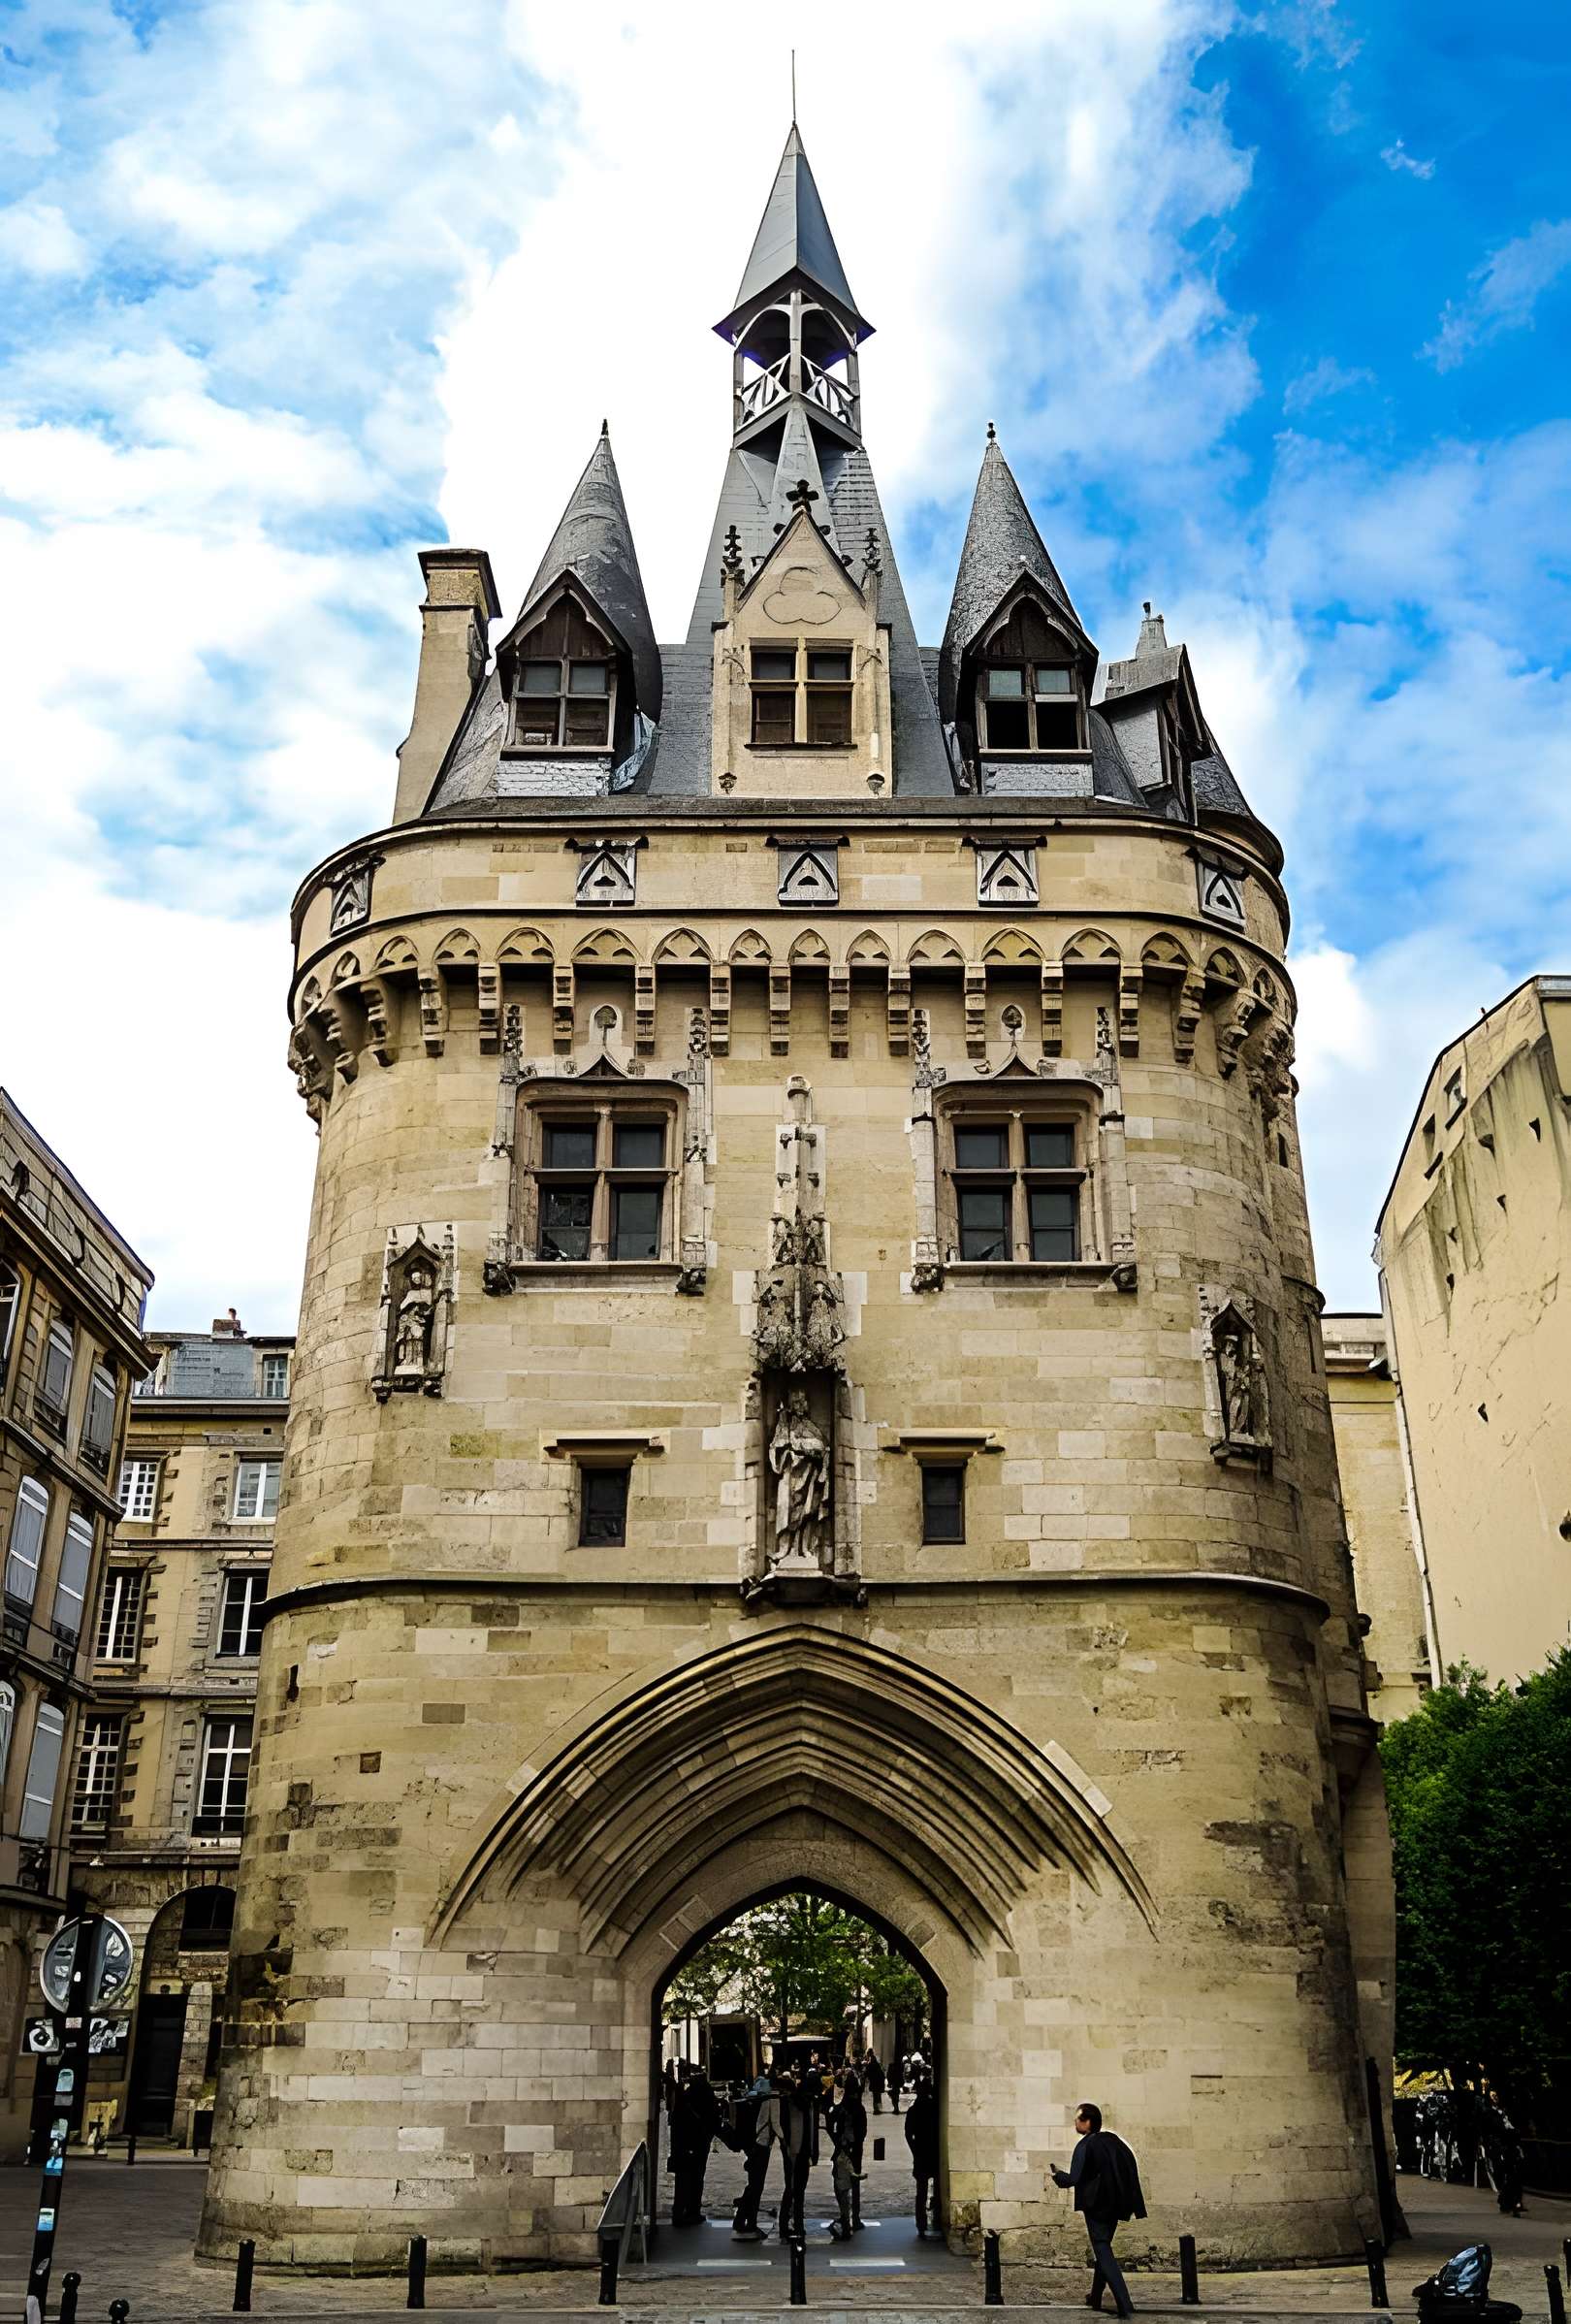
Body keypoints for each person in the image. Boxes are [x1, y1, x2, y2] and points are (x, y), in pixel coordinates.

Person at [1050, 2101, 1146, 2320]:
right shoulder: (1113, 2141)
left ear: (1088, 2122)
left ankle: (1124, 2302)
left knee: (1102, 2249)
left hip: (1096, 2207)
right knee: (1103, 2249)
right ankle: (1095, 2296)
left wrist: (1057, 2176)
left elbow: (1074, 2179)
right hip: (1116, 2205)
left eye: (1079, 2118)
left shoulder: (1086, 2145)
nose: (1075, 2122)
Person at [670, 2066, 721, 2229]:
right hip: (698, 2144)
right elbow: (713, 2119)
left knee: (682, 2180)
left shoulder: (684, 2098)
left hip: (682, 2145)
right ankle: (693, 2211)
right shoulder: (705, 2095)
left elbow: (674, 2120)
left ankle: (680, 2212)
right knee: (696, 2178)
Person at [732, 2073, 778, 2240]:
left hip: (751, 2149)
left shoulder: (749, 2103)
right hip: (759, 2148)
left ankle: (742, 2220)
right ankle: (749, 2222)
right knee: (755, 2187)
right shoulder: (763, 2104)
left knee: (753, 2186)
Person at [831, 2070, 869, 2232]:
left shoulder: (841, 2108)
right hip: (855, 2150)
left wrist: (839, 2142)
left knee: (841, 2184)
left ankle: (845, 2215)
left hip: (843, 2150)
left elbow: (833, 2128)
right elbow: (863, 2131)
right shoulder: (859, 2108)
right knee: (854, 2183)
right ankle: (855, 2217)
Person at [905, 2069, 940, 2238]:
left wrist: (914, 2149)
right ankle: (936, 2216)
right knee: (936, 2186)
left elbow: (907, 2133)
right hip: (933, 2151)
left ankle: (921, 2222)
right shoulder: (934, 2108)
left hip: (921, 2151)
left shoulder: (914, 2110)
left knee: (921, 2190)